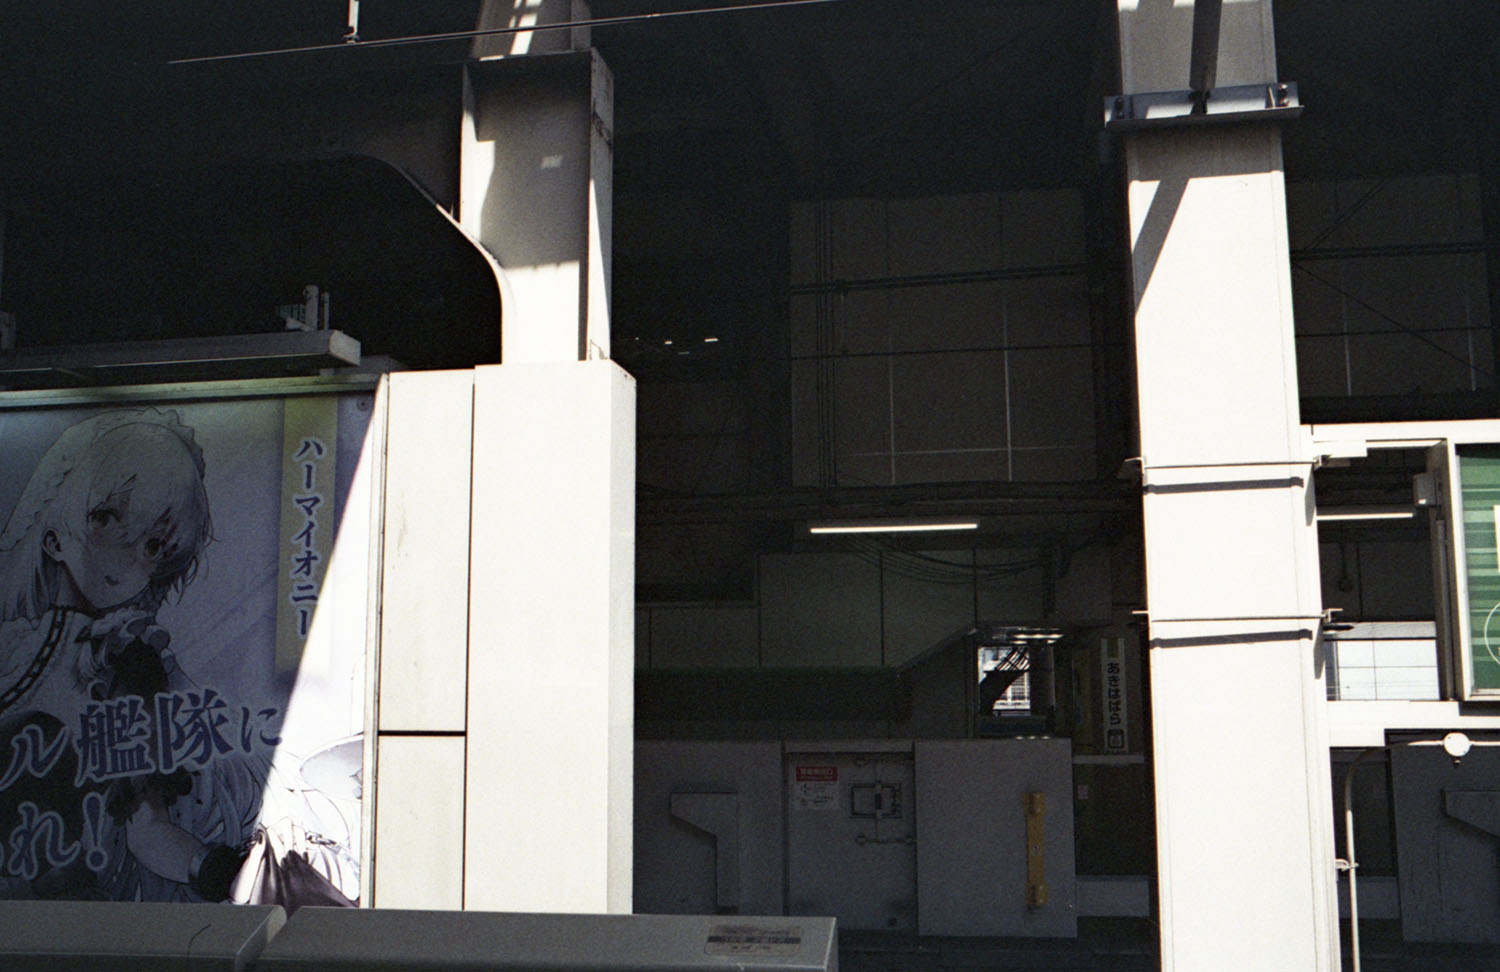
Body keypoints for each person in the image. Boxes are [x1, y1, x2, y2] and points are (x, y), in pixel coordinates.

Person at [0, 408, 260, 902]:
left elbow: (146, 825)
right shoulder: (15, 646)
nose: (128, 554)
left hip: (79, 913)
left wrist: (222, 873)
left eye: (154, 545)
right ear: (53, 535)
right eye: (106, 518)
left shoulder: (127, 659)